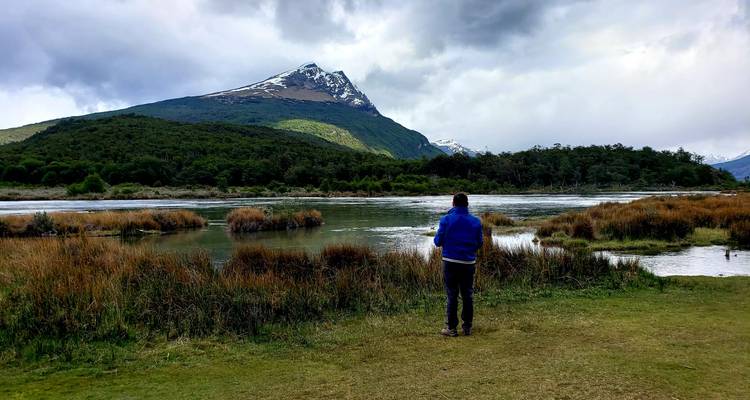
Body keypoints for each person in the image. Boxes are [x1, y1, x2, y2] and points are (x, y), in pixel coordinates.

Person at [433, 192, 483, 337]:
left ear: (453, 203)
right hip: (468, 262)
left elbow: (437, 242)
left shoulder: (446, 219)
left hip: (450, 262)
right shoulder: (476, 221)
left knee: (452, 294)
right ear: (467, 204)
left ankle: (451, 328)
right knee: (467, 294)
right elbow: (479, 243)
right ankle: (467, 327)